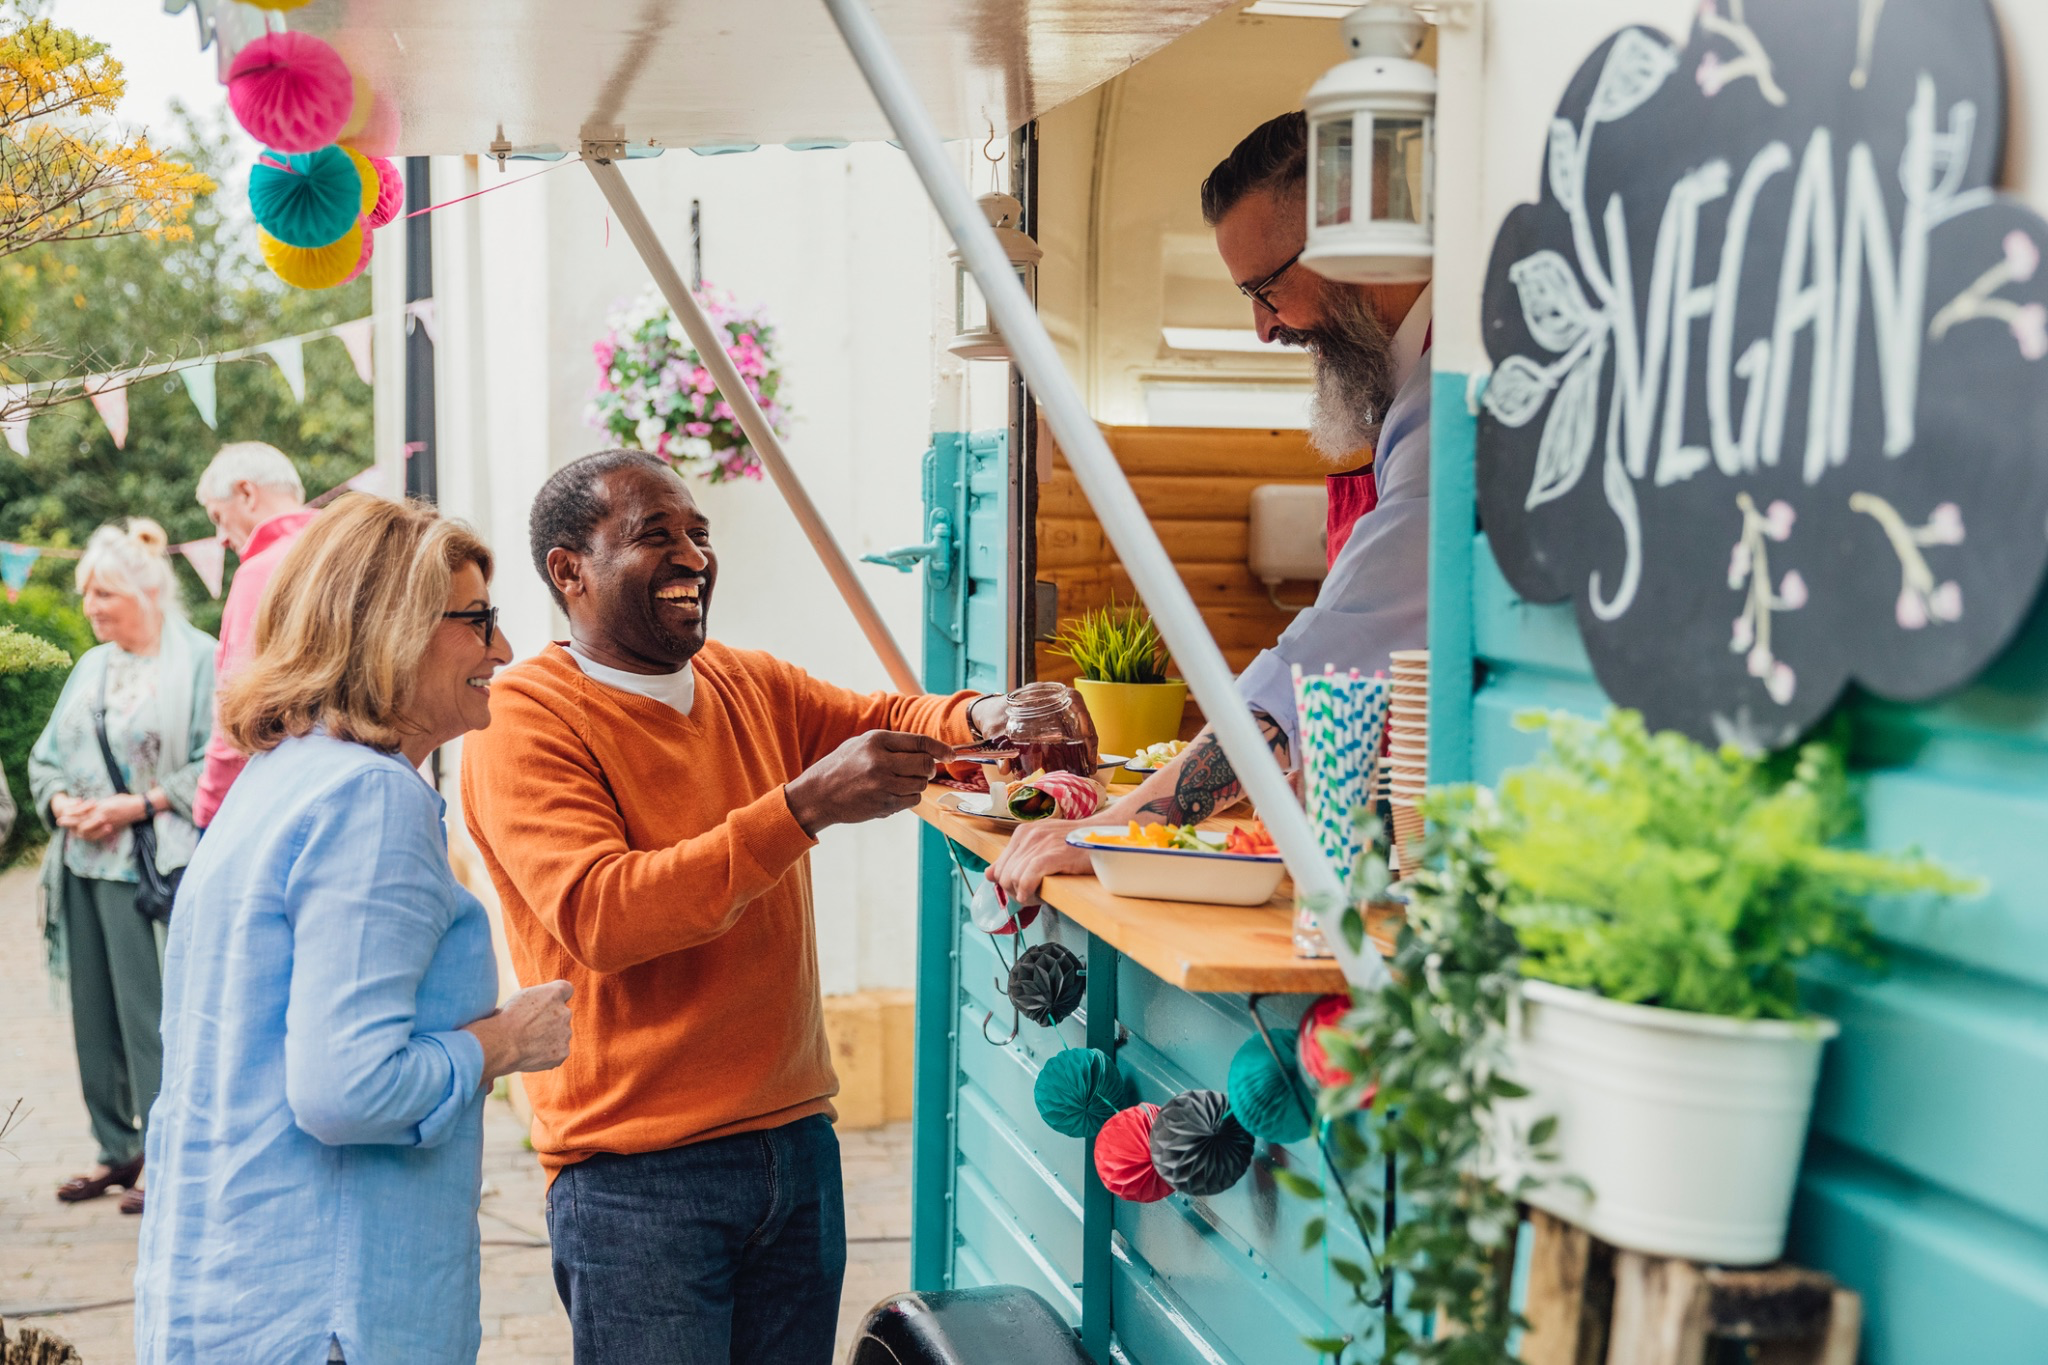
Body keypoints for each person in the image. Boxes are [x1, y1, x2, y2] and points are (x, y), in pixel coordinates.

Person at [461, 448, 1020, 1364]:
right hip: (637, 1176)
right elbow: (604, 915)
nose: (692, 556)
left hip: (796, 1149)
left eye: (699, 533)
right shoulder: (526, 716)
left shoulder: (745, 681)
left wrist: (988, 717)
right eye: (655, 535)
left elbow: (890, 719)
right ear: (569, 570)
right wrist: (801, 808)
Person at [135, 497, 574, 1365]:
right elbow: (348, 1090)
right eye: (477, 619)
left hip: (235, 1291)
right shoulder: (369, 798)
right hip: (331, 1314)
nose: (502, 649)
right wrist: (503, 1041)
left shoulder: (279, 778)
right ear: (393, 629)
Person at [992, 109, 1433, 904]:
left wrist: (1118, 827)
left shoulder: (1451, 400)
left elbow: (1327, 654)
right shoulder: (1408, 388)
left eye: (1266, 290)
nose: (1262, 328)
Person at [29, 519, 214, 1217]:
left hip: (151, 869)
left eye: (103, 593)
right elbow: (46, 756)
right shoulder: (92, 666)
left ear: (147, 591)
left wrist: (136, 804)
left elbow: (217, 761)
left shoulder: (198, 660)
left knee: (149, 1017)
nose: (90, 607)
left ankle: (166, 1153)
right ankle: (117, 1148)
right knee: (93, 1016)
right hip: (82, 863)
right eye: (87, 594)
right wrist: (61, 802)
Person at [191, 440, 317, 826]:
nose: (220, 537)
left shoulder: (262, 572)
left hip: (287, 797)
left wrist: (209, 807)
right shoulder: (357, 551)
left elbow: (237, 709)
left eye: (218, 516)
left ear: (246, 492)